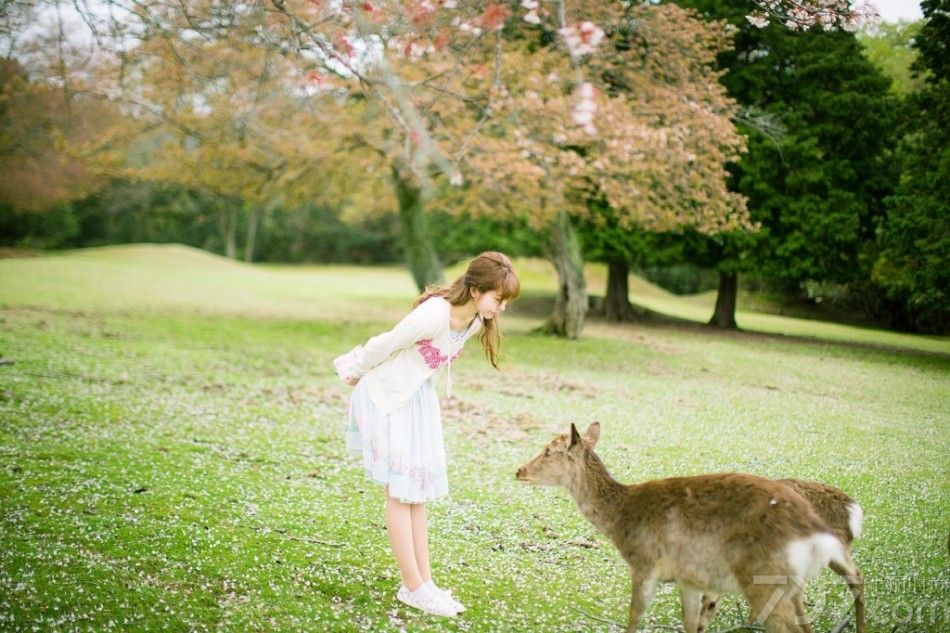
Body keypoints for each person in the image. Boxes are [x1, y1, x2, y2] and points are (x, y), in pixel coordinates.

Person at [333, 251, 520, 617]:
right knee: (401, 491)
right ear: (477, 289)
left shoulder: (473, 323)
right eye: (499, 299)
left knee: (416, 493)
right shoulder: (433, 314)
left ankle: (423, 583)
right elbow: (387, 343)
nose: (501, 309)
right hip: (386, 397)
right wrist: (354, 369)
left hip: (416, 401)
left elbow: (431, 360)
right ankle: (413, 586)